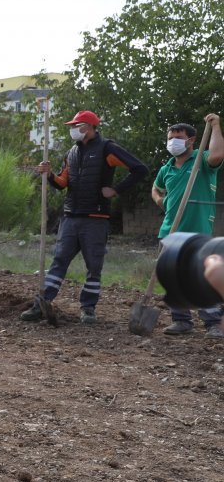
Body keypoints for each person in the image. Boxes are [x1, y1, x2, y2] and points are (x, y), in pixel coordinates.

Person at [21, 110, 148, 324]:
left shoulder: (108, 148)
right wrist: (50, 174)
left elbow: (140, 169)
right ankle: (40, 305)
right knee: (58, 262)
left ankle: (88, 309)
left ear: (88, 127)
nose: (72, 129)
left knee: (93, 266)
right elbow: (62, 183)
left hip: (95, 218)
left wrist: (115, 190)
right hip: (70, 217)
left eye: (76, 125)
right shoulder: (71, 152)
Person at [151, 114, 224, 337]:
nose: (173, 141)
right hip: (170, 230)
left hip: (198, 229)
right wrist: (160, 201)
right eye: (170, 137)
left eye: (178, 137)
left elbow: (218, 154)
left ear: (191, 140)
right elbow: (156, 189)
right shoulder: (167, 168)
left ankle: (212, 322)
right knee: (173, 275)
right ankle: (181, 320)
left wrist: (215, 127)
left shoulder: (202, 160)